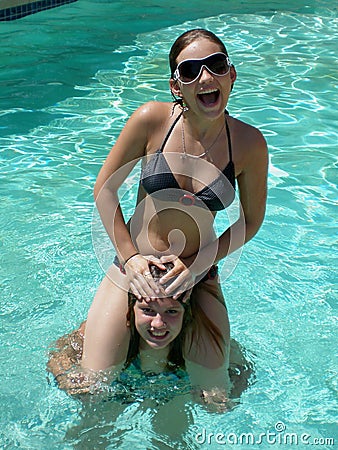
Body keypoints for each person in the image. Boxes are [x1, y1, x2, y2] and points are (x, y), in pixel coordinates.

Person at [81, 28, 267, 395]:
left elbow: (251, 220)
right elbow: (104, 189)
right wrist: (131, 259)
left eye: (215, 65)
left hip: (197, 274)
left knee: (217, 397)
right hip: (134, 270)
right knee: (92, 388)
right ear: (176, 86)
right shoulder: (152, 121)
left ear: (231, 74)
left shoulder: (249, 144)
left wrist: (198, 267)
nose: (205, 77)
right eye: (190, 70)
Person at [47, 264, 251, 410]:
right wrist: (66, 378)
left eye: (172, 312)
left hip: (175, 390)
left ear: (186, 314)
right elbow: (61, 351)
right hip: (120, 387)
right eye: (148, 310)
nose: (158, 324)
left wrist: (229, 393)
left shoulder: (193, 338)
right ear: (131, 309)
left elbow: (241, 366)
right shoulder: (116, 334)